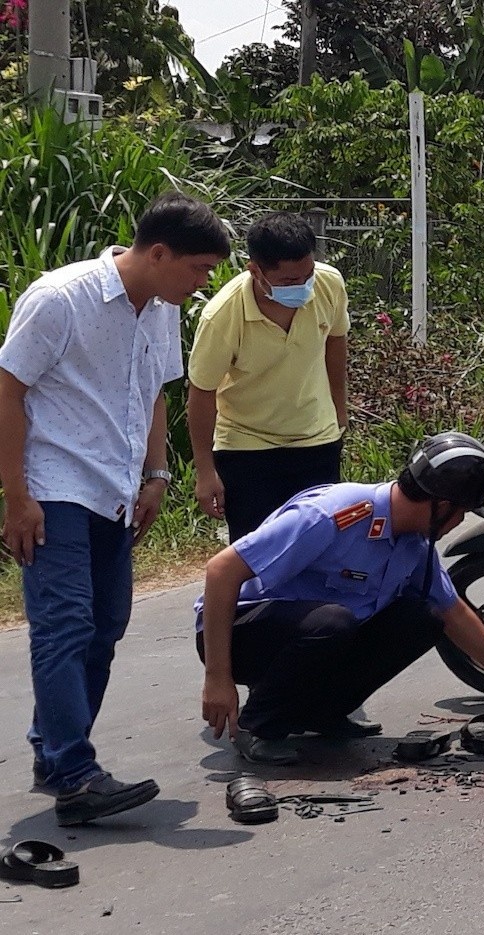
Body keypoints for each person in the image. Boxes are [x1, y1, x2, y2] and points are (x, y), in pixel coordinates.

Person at [0, 191, 230, 825]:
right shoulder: (58, 299)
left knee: (105, 625)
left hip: (117, 488)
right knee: (65, 624)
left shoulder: (159, 306)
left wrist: (156, 473)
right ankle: (75, 772)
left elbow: (154, 390)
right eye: (198, 268)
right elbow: (9, 390)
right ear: (158, 253)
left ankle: (56, 757)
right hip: (55, 485)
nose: (203, 281)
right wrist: (16, 497)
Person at [196, 432, 484, 765]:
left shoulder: (414, 543)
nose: (458, 523)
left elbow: (453, 613)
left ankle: (321, 713)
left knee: (423, 617)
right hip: (238, 633)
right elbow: (221, 572)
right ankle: (258, 726)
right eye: (462, 513)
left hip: (308, 637)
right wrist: (218, 677)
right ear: (441, 505)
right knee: (334, 622)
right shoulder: (334, 514)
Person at [188, 212, 350, 541]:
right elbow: (201, 393)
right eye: (289, 282)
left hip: (316, 440)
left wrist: (339, 409)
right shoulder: (222, 316)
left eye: (307, 275)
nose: (303, 287)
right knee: (258, 554)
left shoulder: (328, 284)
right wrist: (206, 472)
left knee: (319, 549)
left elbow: (336, 341)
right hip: (247, 449)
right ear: (255, 270)